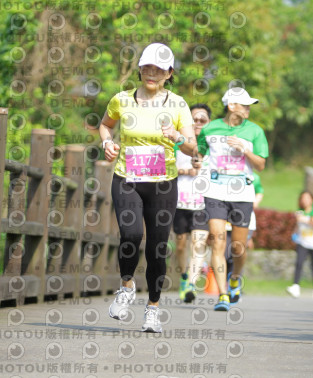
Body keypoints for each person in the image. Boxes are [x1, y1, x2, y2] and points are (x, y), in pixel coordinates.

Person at [99, 43, 197, 332]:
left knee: (157, 247)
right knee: (130, 235)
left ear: (169, 73)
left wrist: (178, 136)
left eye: (159, 69)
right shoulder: (122, 99)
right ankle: (127, 286)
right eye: (147, 67)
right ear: (140, 68)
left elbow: (193, 149)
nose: (151, 73)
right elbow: (105, 125)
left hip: (163, 184)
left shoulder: (178, 104)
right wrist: (107, 142)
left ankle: (152, 308)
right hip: (126, 178)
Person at [196, 87, 268, 311]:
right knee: (217, 241)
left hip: (242, 193)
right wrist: (196, 162)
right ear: (231, 106)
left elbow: (261, 165)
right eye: (244, 105)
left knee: (238, 247)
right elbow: (200, 154)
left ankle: (235, 277)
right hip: (215, 191)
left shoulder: (255, 131)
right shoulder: (210, 128)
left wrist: (245, 150)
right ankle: (223, 295)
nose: (248, 109)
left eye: (249, 106)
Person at [174, 104, 211, 303]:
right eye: (194, 119)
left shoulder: (213, 144)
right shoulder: (178, 142)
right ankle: (184, 277)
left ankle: (191, 284)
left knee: (198, 244)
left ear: (209, 123)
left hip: (202, 202)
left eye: (202, 120)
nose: (197, 123)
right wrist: (186, 171)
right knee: (180, 245)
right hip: (179, 201)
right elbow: (165, 165)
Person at [286, 191, 313, 300]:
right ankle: (295, 286)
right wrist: (294, 234)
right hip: (302, 242)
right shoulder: (299, 212)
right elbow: (298, 226)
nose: (305, 200)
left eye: (307, 198)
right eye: (303, 198)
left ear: (312, 199)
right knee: (299, 263)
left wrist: (305, 220)